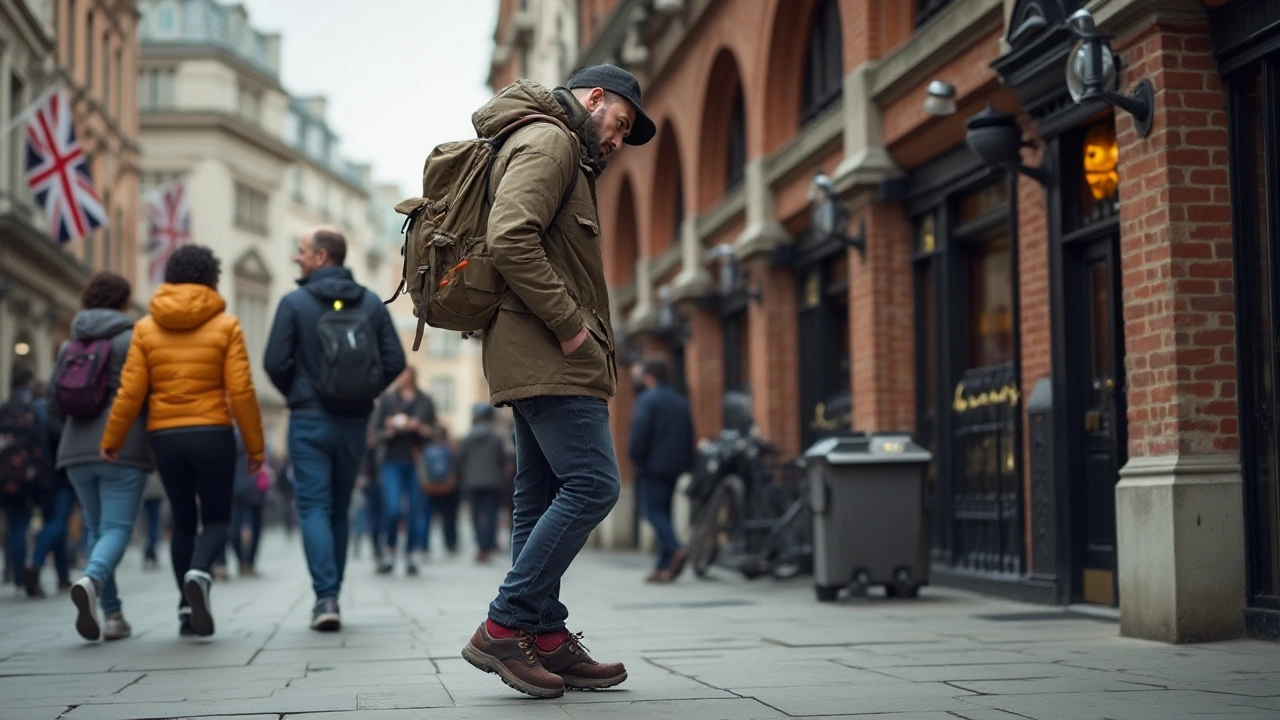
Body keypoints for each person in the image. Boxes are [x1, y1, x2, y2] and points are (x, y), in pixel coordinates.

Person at [458, 64, 655, 699]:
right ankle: (505, 624)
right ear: (594, 98)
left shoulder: (541, 138)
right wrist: (572, 328)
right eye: (620, 124)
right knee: (594, 484)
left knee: (539, 494)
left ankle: (543, 635)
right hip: (549, 351)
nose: (617, 140)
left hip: (529, 350)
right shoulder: (552, 140)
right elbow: (511, 237)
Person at [100, 244, 265, 638]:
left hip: (165, 435)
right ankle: (198, 573)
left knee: (183, 521)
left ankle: (185, 611)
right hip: (213, 433)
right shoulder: (226, 325)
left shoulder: (144, 327)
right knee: (218, 519)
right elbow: (240, 390)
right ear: (212, 278)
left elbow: (130, 391)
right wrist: (256, 447)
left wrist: (113, 438)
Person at [264, 226, 404, 631]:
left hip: (309, 419)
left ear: (322, 256)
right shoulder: (372, 304)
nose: (296, 257)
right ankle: (334, 595)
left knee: (312, 507)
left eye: (301, 250)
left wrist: (299, 392)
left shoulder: (294, 303)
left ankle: (325, 597)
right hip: (354, 421)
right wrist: (363, 391)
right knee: (339, 507)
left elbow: (274, 361)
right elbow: (395, 361)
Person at [50, 272, 154, 640]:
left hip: (74, 448)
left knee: (96, 528)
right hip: (121, 446)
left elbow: (54, 400)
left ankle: (112, 615)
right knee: (116, 530)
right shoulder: (132, 339)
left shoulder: (69, 345)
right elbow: (146, 394)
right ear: (124, 303)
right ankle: (92, 579)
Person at [628, 357, 695, 584]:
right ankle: (662, 566)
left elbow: (640, 432)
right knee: (664, 511)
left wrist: (635, 456)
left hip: (653, 466)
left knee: (651, 511)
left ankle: (676, 548)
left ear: (649, 376)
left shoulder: (647, 400)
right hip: (675, 466)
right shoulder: (679, 400)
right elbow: (689, 433)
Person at [372, 368, 436, 575]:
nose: (403, 378)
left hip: (417, 461)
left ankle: (410, 554)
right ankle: (389, 549)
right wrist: (391, 427)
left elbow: (435, 431)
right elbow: (375, 433)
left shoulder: (425, 400)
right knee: (393, 509)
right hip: (391, 461)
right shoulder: (387, 399)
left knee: (415, 510)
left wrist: (418, 427)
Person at [25, 380, 73, 597]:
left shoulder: (27, 414)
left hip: (38, 481)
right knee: (58, 524)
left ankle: (63, 577)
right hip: (60, 478)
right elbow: (64, 439)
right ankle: (34, 563)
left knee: (54, 525)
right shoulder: (51, 414)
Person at [456, 403, 510, 563]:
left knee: (475, 515)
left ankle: (480, 546)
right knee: (491, 514)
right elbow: (502, 459)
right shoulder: (496, 437)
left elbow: (460, 460)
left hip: (472, 482)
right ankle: (488, 546)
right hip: (493, 482)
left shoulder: (467, 437)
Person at [229, 427, 268, 577]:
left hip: (235, 489)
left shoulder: (229, 434)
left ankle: (242, 560)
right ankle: (249, 562)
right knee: (255, 525)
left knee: (234, 526)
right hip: (254, 488)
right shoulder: (254, 432)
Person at [419, 425, 459, 557]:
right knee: (449, 517)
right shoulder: (450, 449)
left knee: (426, 517)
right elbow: (455, 467)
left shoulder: (426, 450)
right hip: (447, 489)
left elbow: (422, 468)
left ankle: (424, 546)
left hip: (430, 488)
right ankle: (450, 544)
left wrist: (424, 484)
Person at [140, 471, 165, 570]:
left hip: (142, 489)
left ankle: (149, 549)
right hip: (155, 491)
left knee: (147, 523)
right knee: (153, 523)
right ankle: (151, 549)